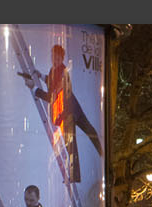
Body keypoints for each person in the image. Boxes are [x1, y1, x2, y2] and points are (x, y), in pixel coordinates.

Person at [21, 43, 101, 183]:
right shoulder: (55, 70)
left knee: (73, 142)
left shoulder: (63, 72)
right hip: (72, 108)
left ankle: (77, 175)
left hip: (68, 112)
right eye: (53, 57)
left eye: (57, 58)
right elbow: (51, 81)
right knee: (87, 132)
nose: (54, 59)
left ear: (62, 58)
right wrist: (41, 76)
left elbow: (52, 97)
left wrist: (34, 89)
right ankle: (101, 154)